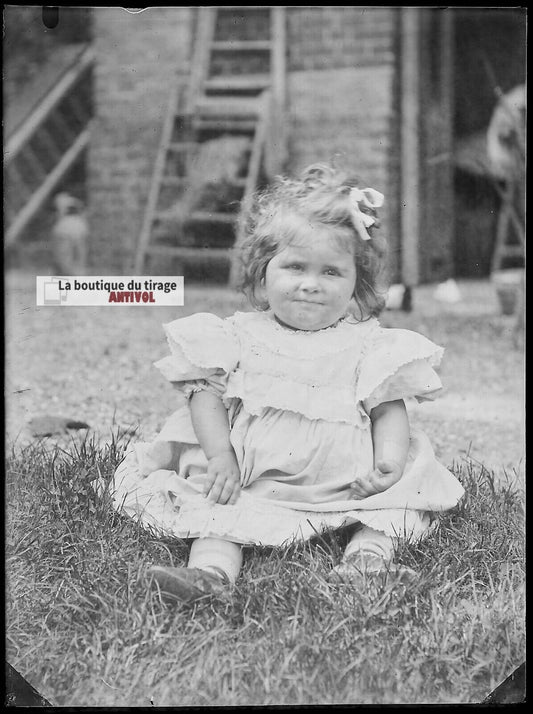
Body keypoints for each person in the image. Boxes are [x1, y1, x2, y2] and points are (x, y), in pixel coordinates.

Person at [107, 164, 464, 603]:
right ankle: (210, 575)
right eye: (295, 267)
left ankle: (366, 563)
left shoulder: (369, 344)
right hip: (251, 477)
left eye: (332, 273)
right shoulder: (236, 335)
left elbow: (388, 406)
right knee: (218, 509)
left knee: (396, 505)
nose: (311, 285)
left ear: (357, 284)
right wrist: (220, 457)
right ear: (263, 274)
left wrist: (387, 464)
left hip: (346, 484)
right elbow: (204, 395)